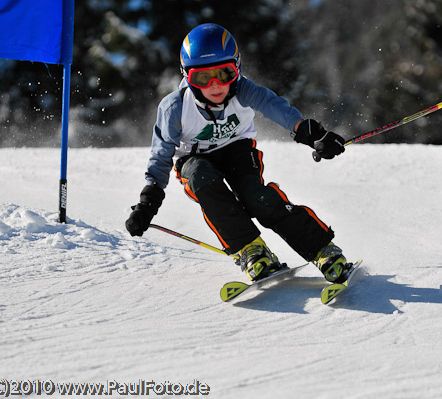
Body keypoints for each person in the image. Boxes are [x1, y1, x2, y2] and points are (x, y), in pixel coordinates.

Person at [125, 23, 350, 283]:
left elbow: (273, 105)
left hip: (237, 150)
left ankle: (322, 250)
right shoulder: (174, 107)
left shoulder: (243, 89)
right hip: (194, 159)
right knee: (201, 177)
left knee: (255, 196)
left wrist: (311, 133)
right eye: (202, 77)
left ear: (238, 68)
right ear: (187, 76)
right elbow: (161, 155)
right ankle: (251, 250)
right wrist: (147, 202)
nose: (215, 85)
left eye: (224, 73)